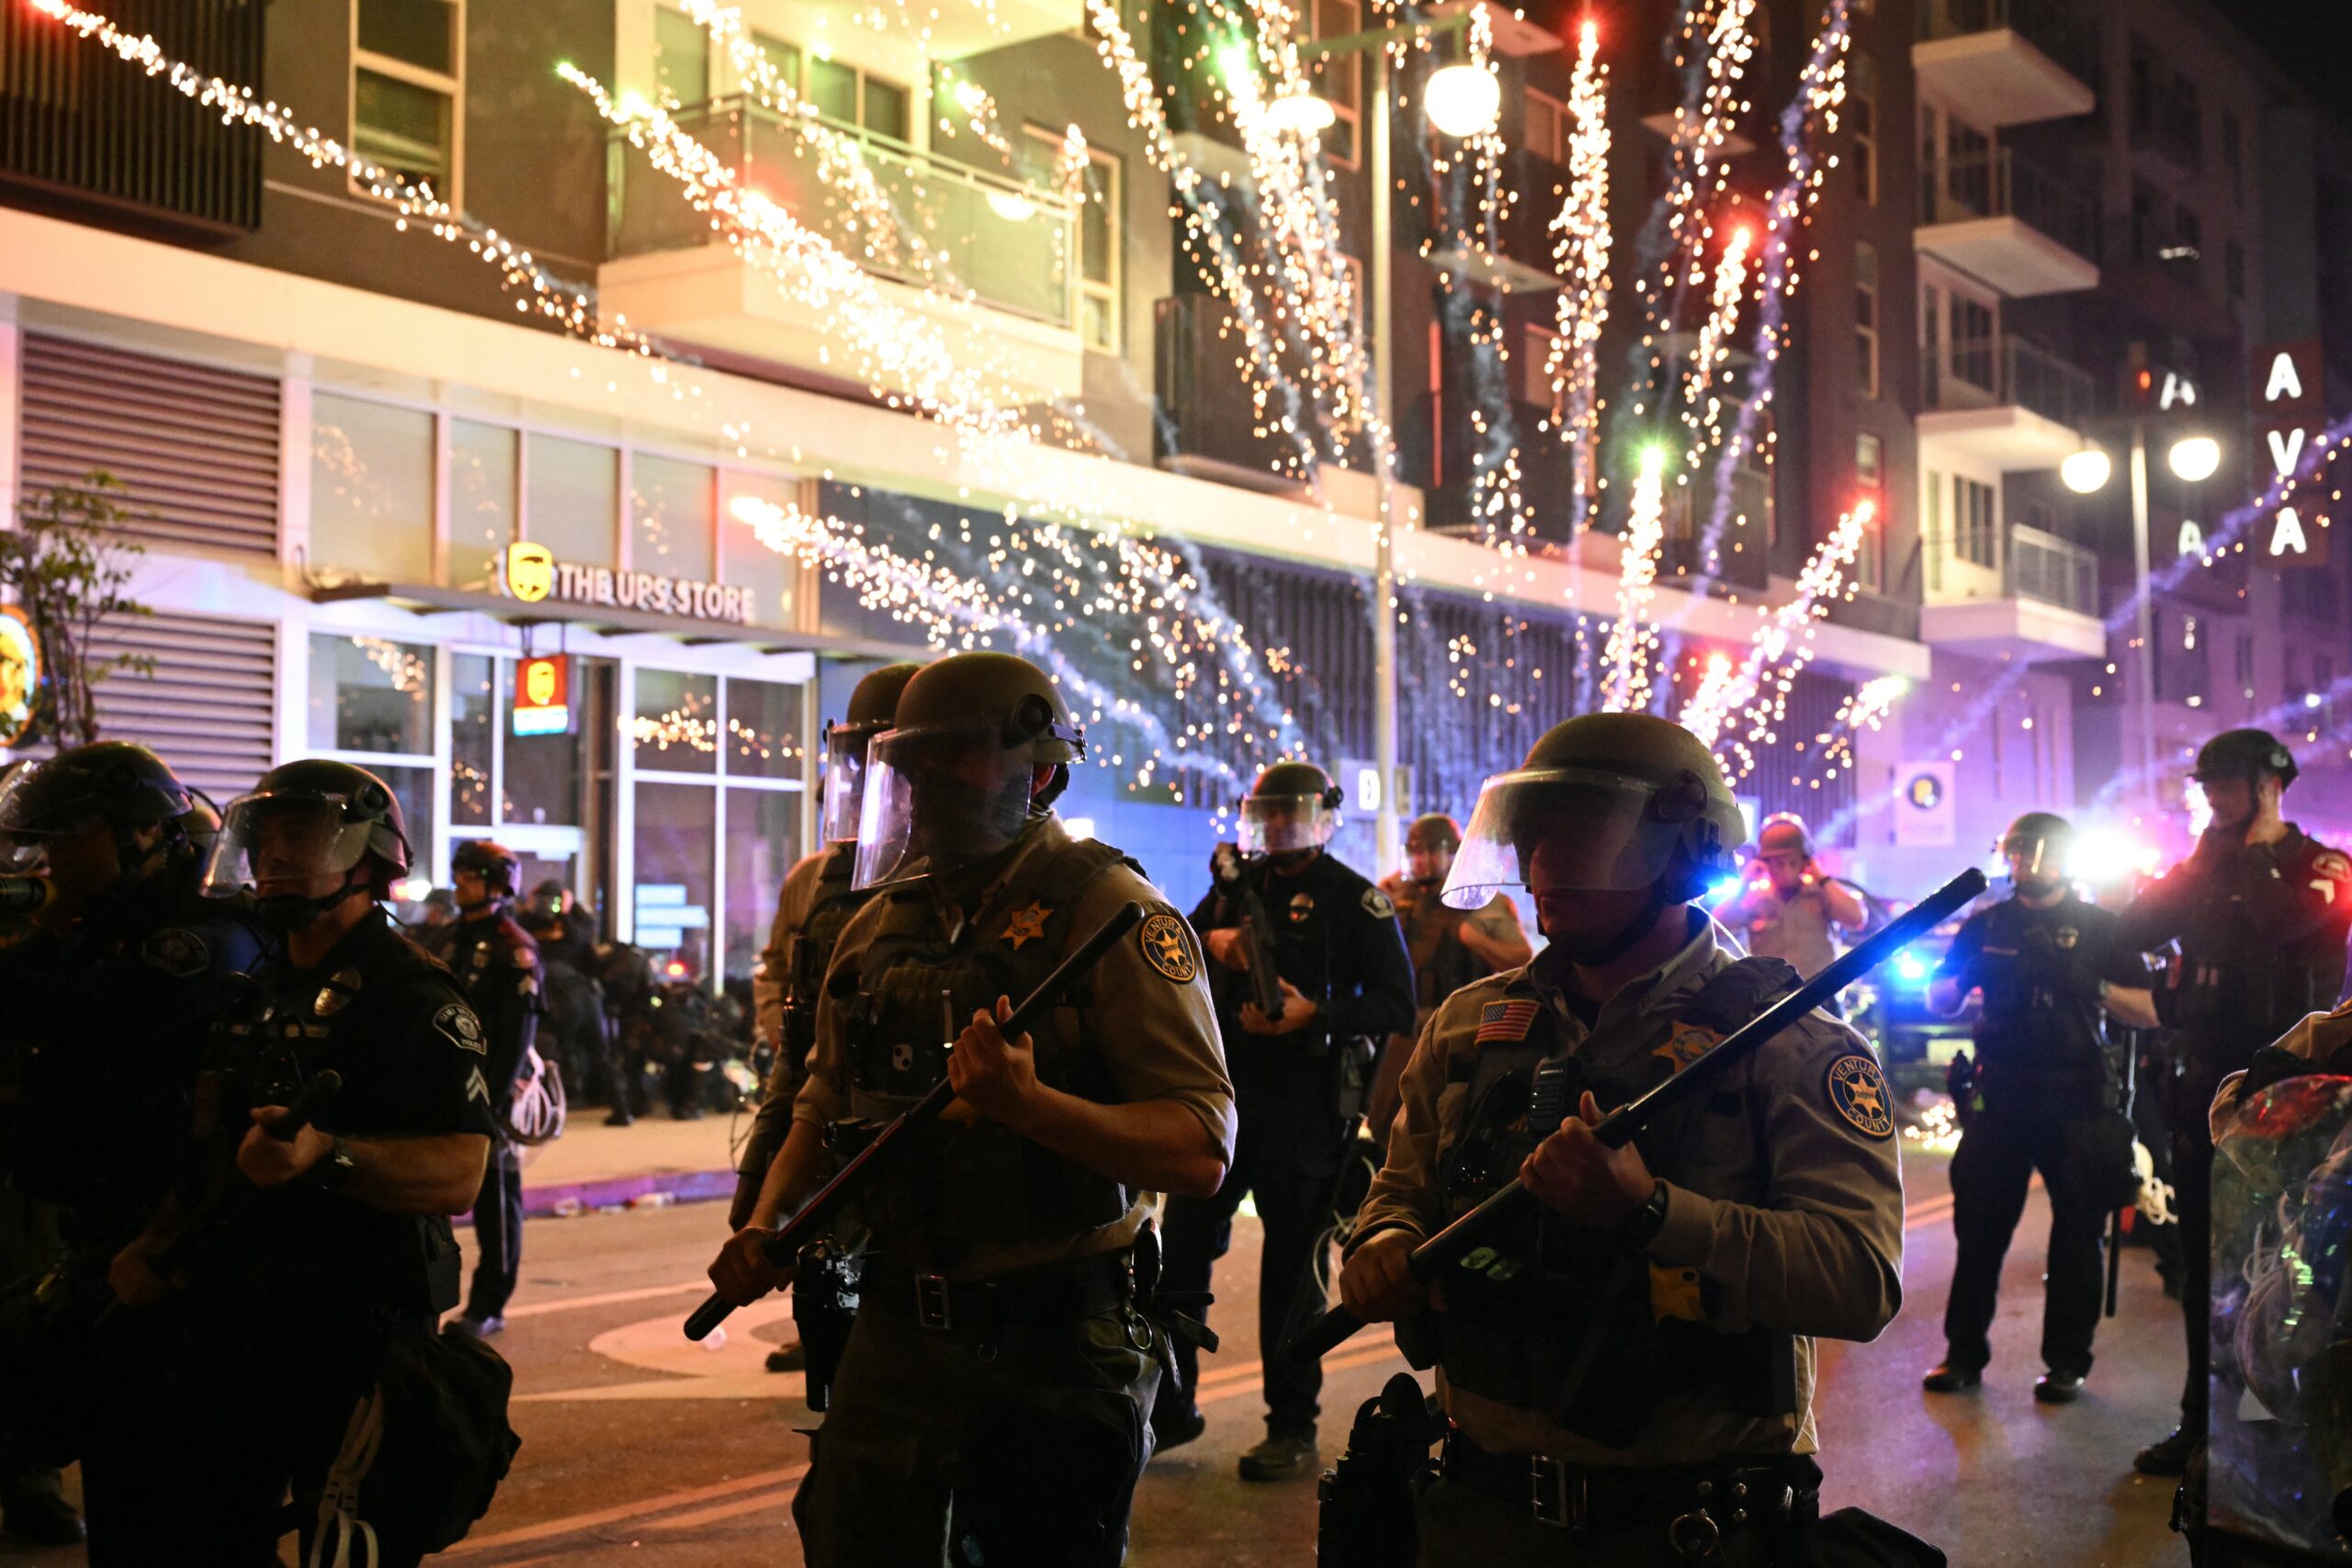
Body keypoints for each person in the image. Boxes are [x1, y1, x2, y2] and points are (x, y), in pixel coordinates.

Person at [704, 651, 1235, 1566]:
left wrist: (1031, 1106)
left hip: (1053, 1337)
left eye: (956, 756)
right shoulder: (877, 923)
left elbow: (1200, 1145)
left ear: (1040, 773)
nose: (925, 783)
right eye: (913, 761)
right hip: (896, 1323)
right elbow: (822, 1098)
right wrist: (769, 1222)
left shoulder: (1112, 914)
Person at [1338, 713, 1906, 1565]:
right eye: (1532, 836)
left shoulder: (1792, 1044)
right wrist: (1384, 1240)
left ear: (1681, 856)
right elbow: (1400, 1190)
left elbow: (1860, 1280)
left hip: (1687, 1530)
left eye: (1580, 835)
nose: (1541, 865)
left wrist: (1653, 1212)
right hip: (1475, 1514)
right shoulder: (1468, 1024)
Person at [106, 759, 496, 1563]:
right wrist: (159, 1239)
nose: (276, 853)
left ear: (369, 858)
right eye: (266, 836)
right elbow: (211, 1141)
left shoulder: (414, 996)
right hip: (234, 1314)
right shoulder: (255, 984)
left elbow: (460, 1170)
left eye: (304, 833)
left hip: (355, 1328)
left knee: (346, 1544)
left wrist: (330, 1154)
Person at [0, 743, 266, 1556]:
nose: (51, 856)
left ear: (142, 831)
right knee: (113, 1465)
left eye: (68, 836)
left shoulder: (201, 936)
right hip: (100, 1229)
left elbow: (85, 1013)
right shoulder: (108, 923)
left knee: (172, 1486)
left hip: (175, 1244)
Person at [1155, 761, 1415, 1482]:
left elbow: (1397, 1002)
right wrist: (1215, 942)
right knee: (1181, 1253)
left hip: (1305, 1106)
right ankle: (1171, 1405)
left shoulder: (1354, 899)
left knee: (1293, 1272)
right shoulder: (1238, 887)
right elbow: (1174, 948)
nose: (1277, 825)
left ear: (1321, 817)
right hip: (1228, 1097)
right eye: (1267, 812)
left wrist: (1315, 1013)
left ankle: (1292, 1423)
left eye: (1290, 812)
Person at [2117, 728, 2352, 1477]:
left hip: (2297, 1102)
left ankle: (2279, 1436)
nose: (2213, 798)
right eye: (2208, 785)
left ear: (2269, 785)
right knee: (2207, 1271)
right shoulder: (2205, 865)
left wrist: (2255, 853)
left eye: (2226, 784)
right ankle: (2204, 1429)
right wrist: (2200, 864)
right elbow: (2133, 929)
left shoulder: (2322, 866)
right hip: (2207, 1094)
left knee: (2292, 1275)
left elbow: (2290, 924)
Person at [1919, 813, 2157, 1403]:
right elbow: (1939, 999)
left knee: (2078, 1237)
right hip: (2000, 1095)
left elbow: (2149, 1011)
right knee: (1979, 1232)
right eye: (2018, 851)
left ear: (2066, 857)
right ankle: (1963, 1354)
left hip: (2077, 1099)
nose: (2026, 862)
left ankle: (2068, 1362)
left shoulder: (2102, 928)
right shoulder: (1987, 923)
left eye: (2038, 851)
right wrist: (1964, 975)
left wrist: (2092, 986)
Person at [736, 660, 922, 1376]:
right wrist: (778, 1029)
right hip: (820, 1087)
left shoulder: (951, 882)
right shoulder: (818, 880)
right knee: (789, 1235)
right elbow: (783, 973)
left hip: (892, 1114)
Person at [432, 840, 544, 1340]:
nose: (460, 882)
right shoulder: (449, 937)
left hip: (490, 1090)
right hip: (441, 1086)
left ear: (498, 883)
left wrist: (493, 1102)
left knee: (496, 1204)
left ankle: (489, 1304)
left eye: (472, 874)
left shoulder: (513, 946)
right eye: (458, 872)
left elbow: (518, 1032)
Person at [1372, 812, 1532, 1144]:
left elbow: (1522, 959)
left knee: (1453, 1127)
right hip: (1407, 1030)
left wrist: (1474, 939)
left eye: (1432, 851)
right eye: (1416, 852)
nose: (1423, 861)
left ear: (1452, 853)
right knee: (1385, 1129)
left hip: (1463, 1030)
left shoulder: (1477, 898)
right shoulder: (1401, 897)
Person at [1716, 814, 1866, 980]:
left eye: (1792, 861)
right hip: (1770, 994)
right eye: (1777, 862)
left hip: (1818, 993)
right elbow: (1717, 927)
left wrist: (1822, 878)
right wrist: (1746, 882)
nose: (1785, 869)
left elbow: (1856, 918)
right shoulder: (1755, 898)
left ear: (1805, 861)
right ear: (1764, 862)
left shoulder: (1822, 894)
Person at [519, 880, 614, 1115]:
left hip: (581, 993)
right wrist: (529, 910)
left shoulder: (577, 919)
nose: (546, 907)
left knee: (599, 1050)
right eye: (542, 902)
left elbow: (580, 939)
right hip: (548, 994)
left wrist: (566, 913)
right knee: (547, 1046)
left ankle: (614, 1102)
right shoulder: (529, 921)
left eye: (551, 902)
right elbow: (519, 935)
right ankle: (551, 1099)